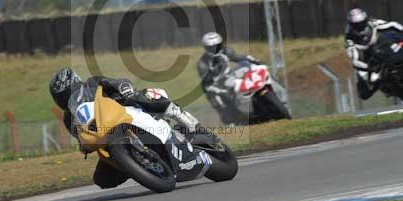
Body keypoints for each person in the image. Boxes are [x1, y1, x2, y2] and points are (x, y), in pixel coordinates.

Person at [49, 68, 200, 189]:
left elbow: (116, 82)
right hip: (107, 136)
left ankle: (181, 116)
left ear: (75, 83)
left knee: (142, 95)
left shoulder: (92, 83)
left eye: (65, 93)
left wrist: (124, 87)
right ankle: (135, 164)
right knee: (102, 179)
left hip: (128, 109)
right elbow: (79, 135)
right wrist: (84, 146)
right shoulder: (69, 118)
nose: (64, 98)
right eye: (60, 97)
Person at [197, 32, 262, 122]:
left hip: (231, 76)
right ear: (206, 48)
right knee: (215, 98)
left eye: (218, 46)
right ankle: (229, 119)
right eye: (212, 48)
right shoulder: (202, 64)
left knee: (247, 69)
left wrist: (255, 60)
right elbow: (206, 83)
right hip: (216, 85)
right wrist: (219, 90)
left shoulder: (226, 51)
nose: (215, 50)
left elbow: (239, 57)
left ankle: (262, 93)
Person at [344, 8, 403, 100]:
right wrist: (369, 68)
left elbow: (392, 24)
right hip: (369, 61)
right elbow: (355, 60)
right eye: (357, 25)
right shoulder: (349, 39)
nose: (361, 26)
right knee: (364, 92)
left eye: (362, 22)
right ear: (352, 25)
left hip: (385, 49)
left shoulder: (373, 23)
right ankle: (385, 87)